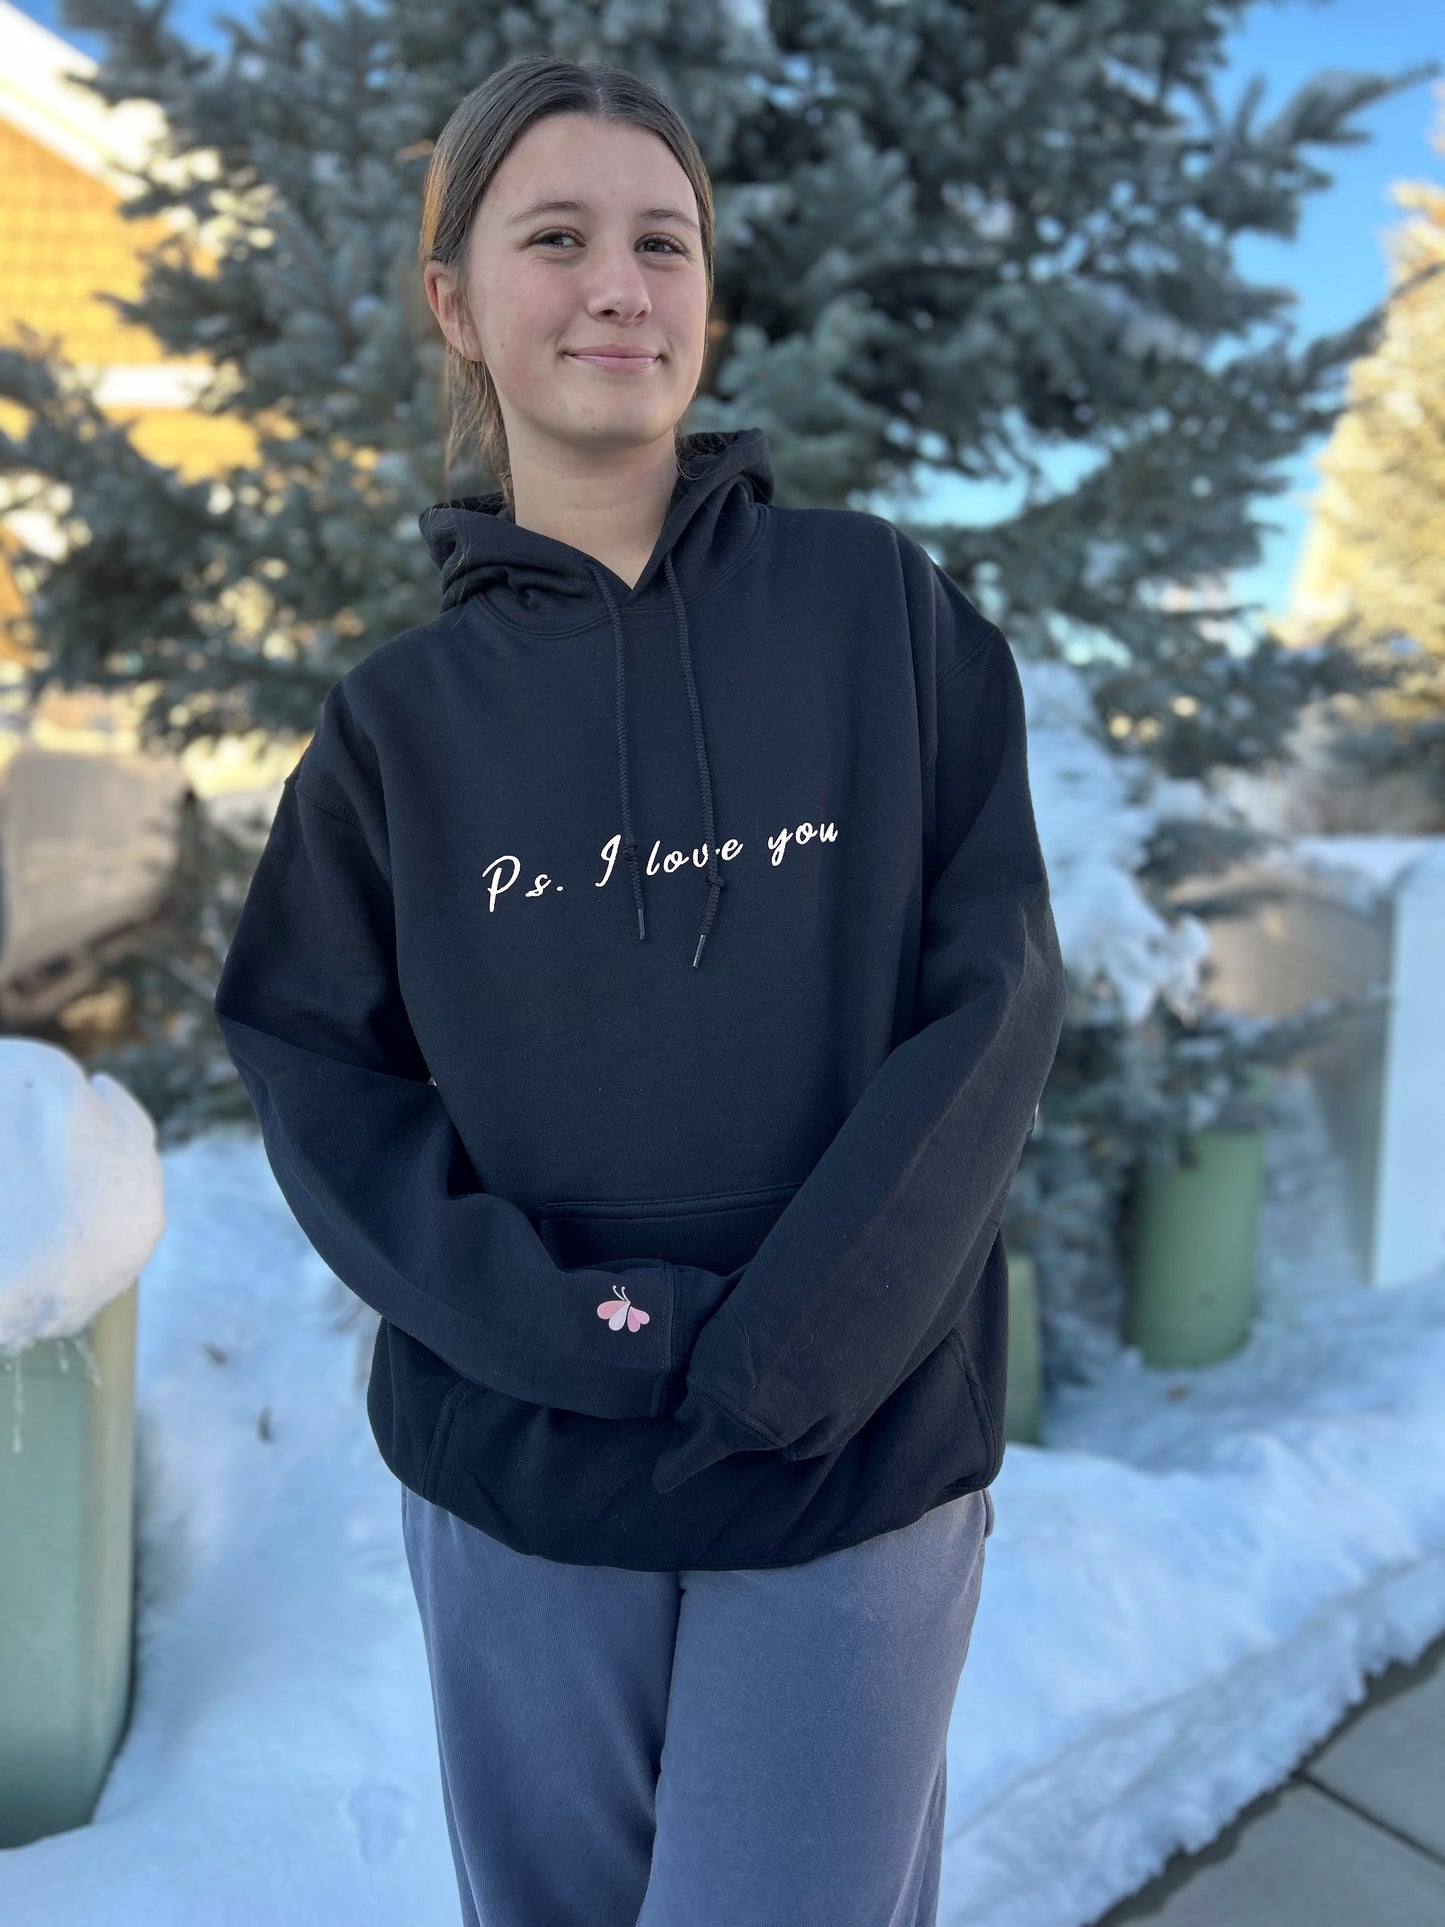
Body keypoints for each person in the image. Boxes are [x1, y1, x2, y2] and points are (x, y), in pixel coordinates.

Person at [213, 51, 1066, 1927]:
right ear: (456, 300)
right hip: (521, 1480)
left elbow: (991, 995)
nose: (621, 283)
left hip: (842, 1467)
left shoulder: (878, 617)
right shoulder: (392, 734)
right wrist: (579, 1333)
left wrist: (785, 1354)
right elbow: (321, 1075)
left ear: (707, 296)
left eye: (662, 241)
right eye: (557, 235)